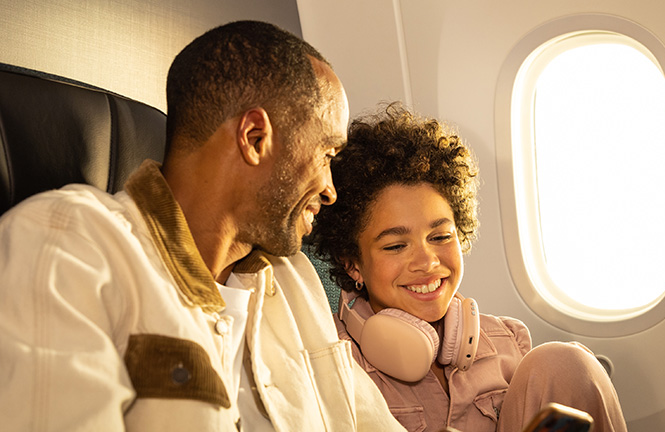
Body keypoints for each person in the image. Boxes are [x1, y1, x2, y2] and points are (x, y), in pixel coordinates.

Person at [0, 21, 406, 431]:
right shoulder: (67, 245)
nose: (330, 189)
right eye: (326, 154)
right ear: (253, 138)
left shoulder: (295, 279)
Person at [308, 104, 628, 432]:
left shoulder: (507, 341)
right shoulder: (329, 363)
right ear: (353, 263)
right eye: (396, 246)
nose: (428, 262)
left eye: (440, 236)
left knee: (566, 363)